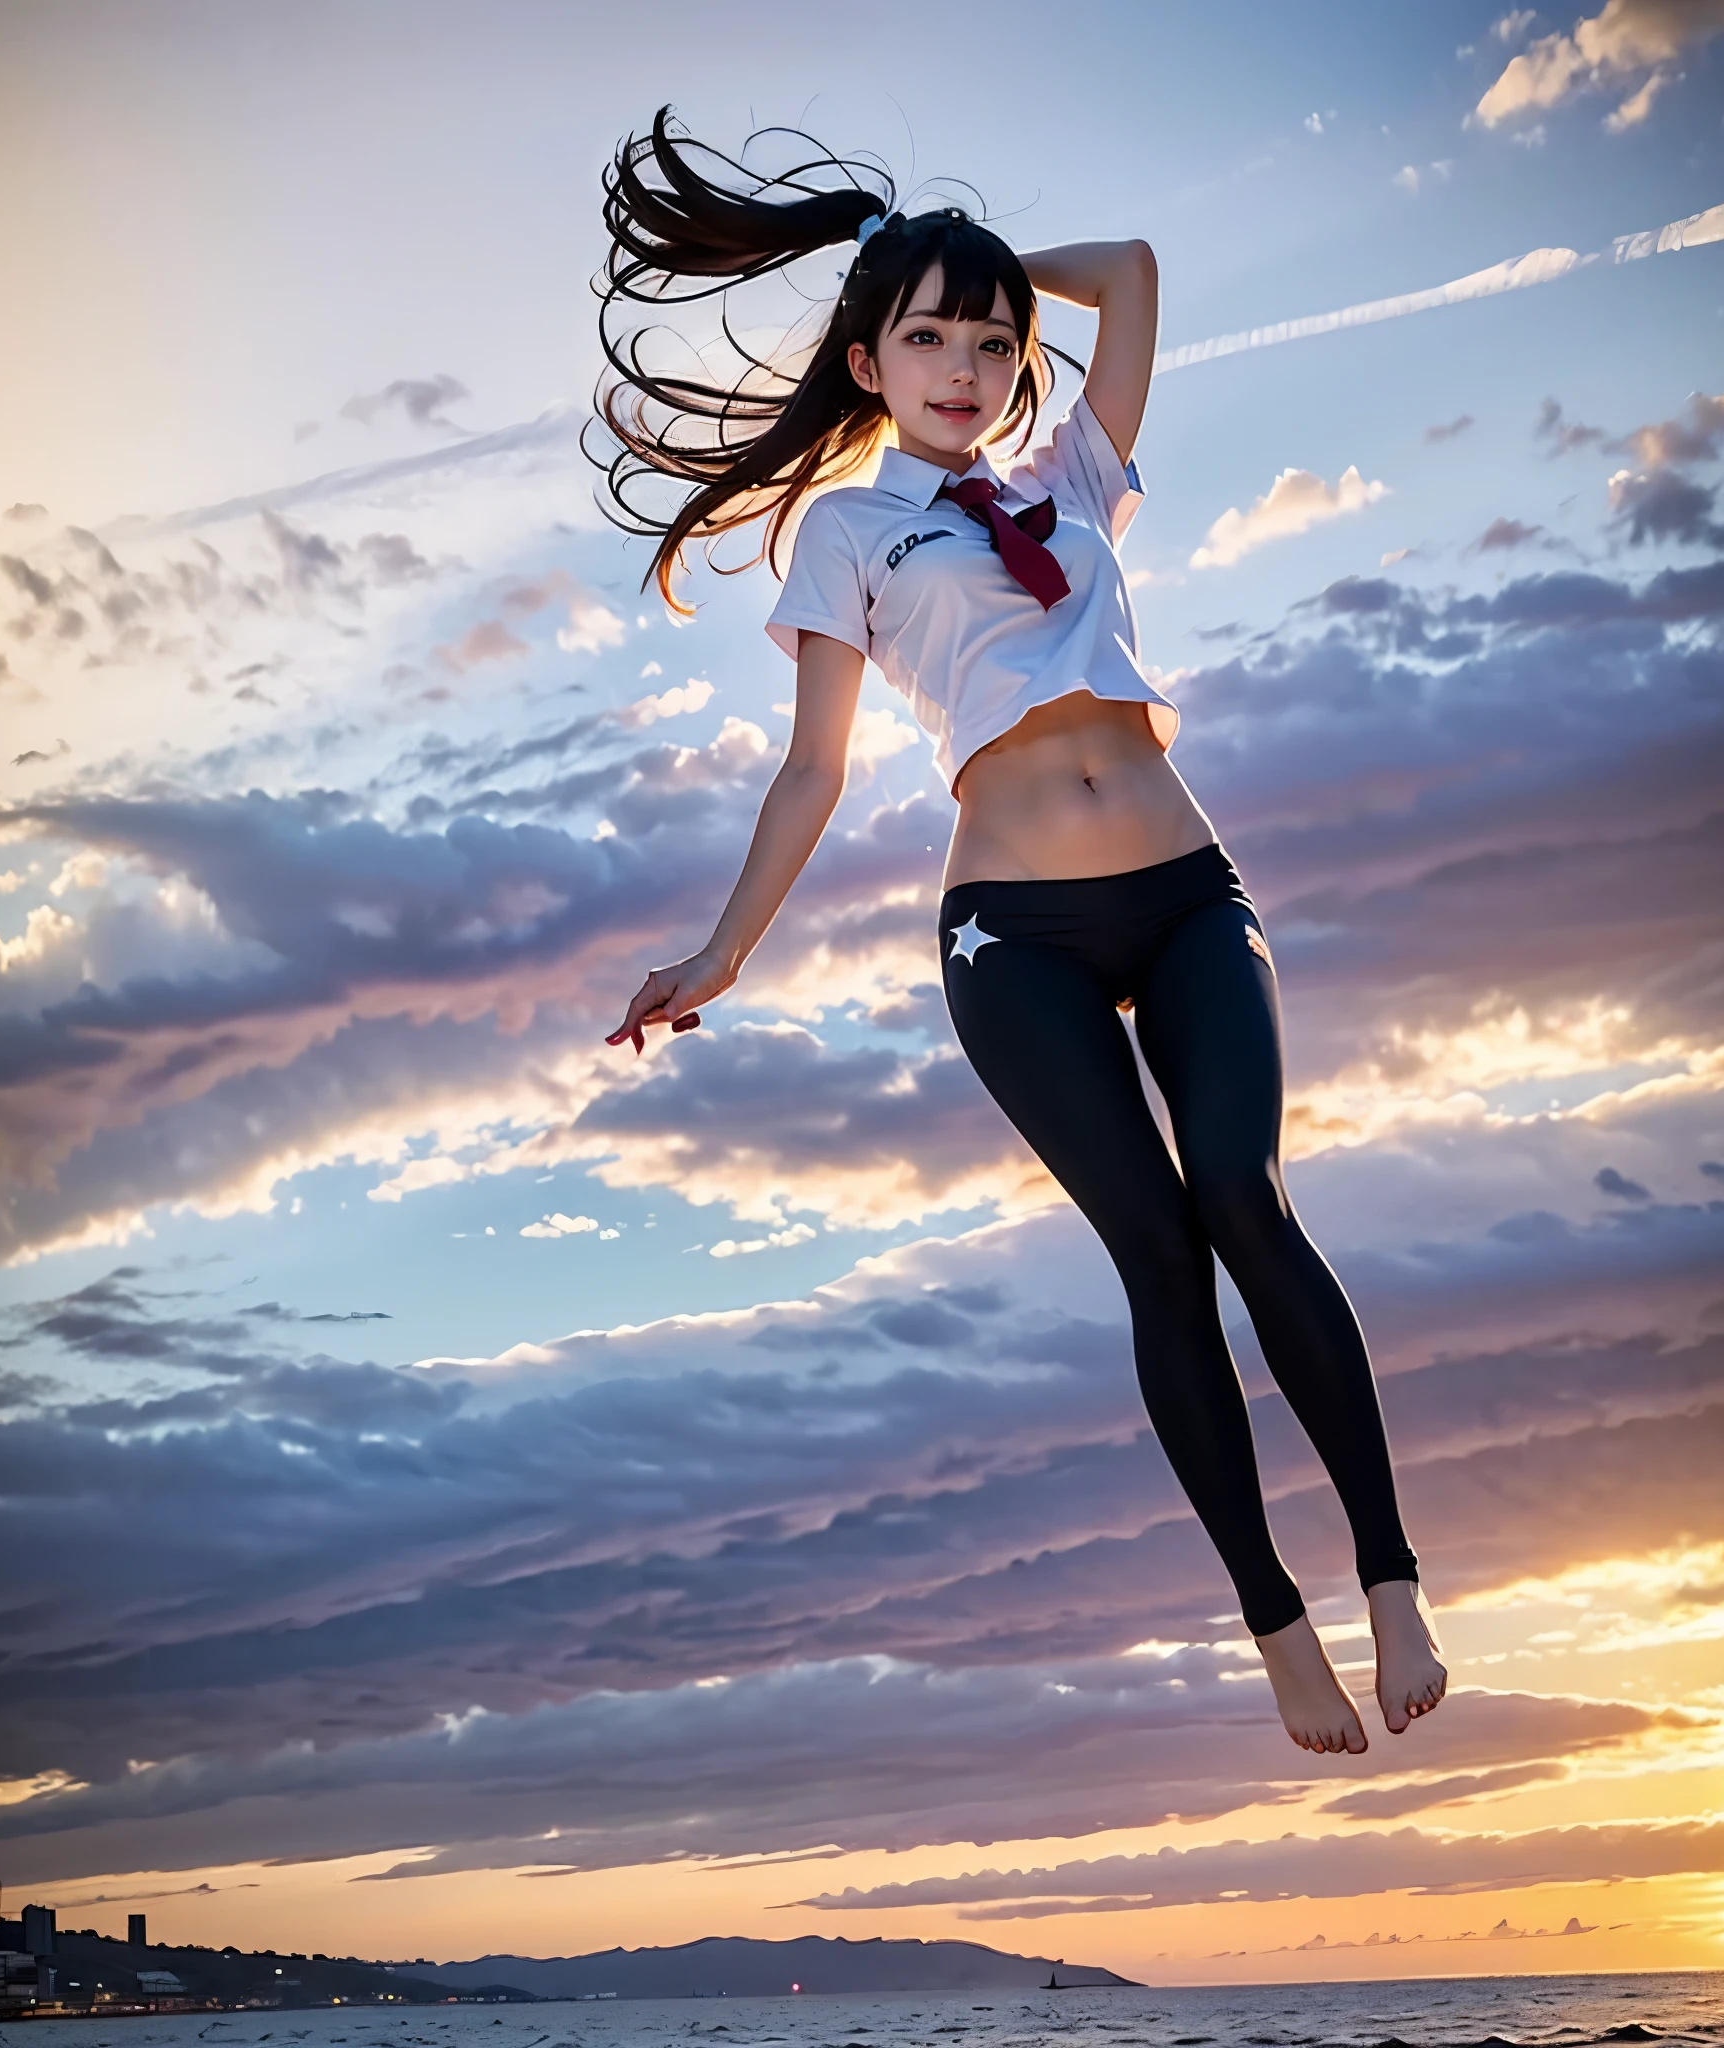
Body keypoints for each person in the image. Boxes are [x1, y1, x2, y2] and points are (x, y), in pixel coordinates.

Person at [596, 109, 1446, 1754]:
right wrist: (719, 961)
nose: (967, 364)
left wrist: (972, 255)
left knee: (1248, 1206)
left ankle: (1391, 1575)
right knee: (1163, 1259)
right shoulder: (845, 535)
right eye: (927, 335)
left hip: (1191, 892)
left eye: (991, 340)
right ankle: (1274, 1619)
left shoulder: (1073, 478)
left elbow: (1129, 274)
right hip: (1015, 941)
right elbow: (810, 774)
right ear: (868, 361)